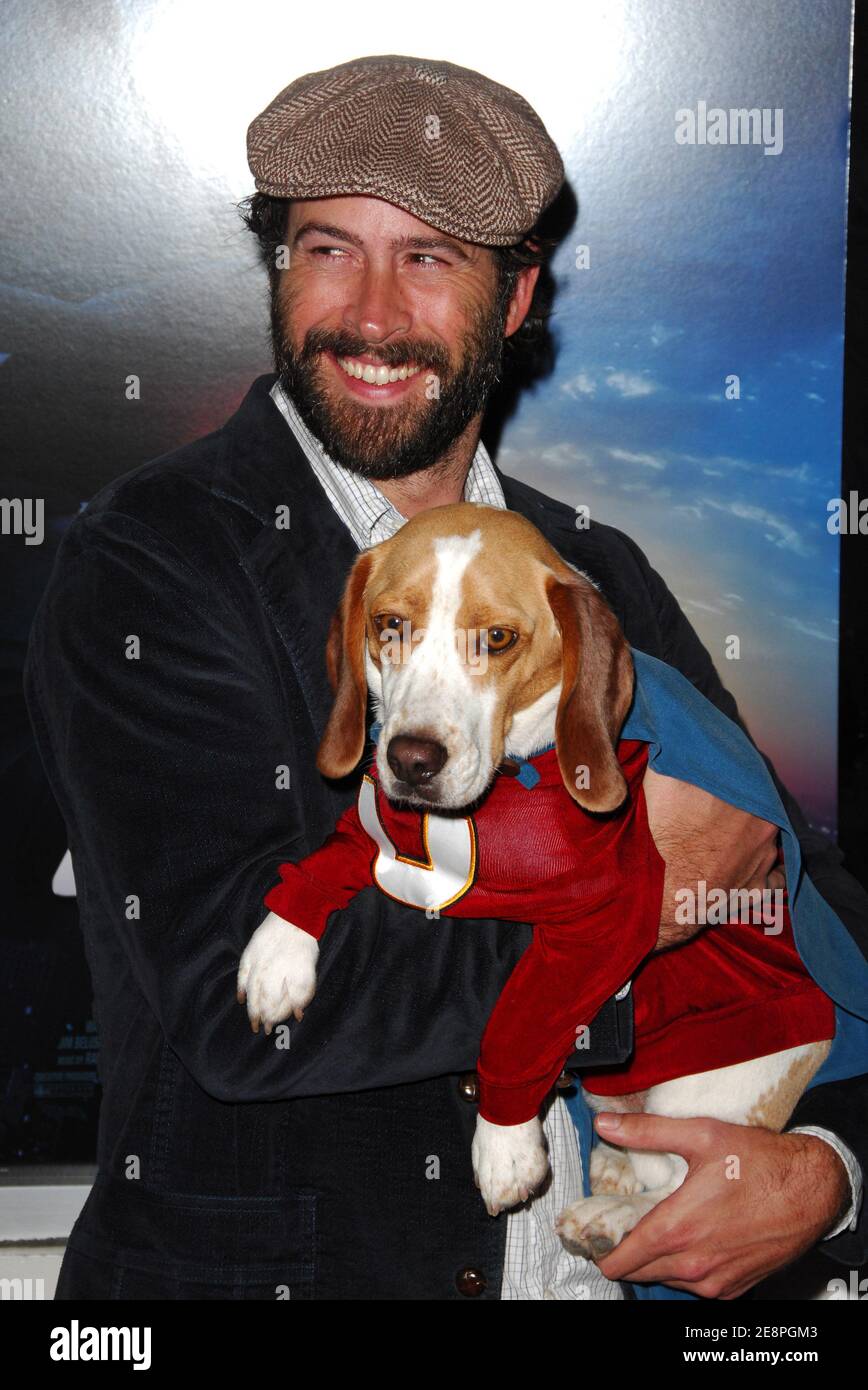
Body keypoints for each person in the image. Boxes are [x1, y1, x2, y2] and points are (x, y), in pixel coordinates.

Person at [24, 54, 866, 1301]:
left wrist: (831, 1172)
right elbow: (238, 1001)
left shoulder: (591, 569)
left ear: (517, 294)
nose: (368, 313)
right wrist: (640, 905)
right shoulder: (149, 558)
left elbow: (814, 895)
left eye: (428, 258)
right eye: (324, 249)